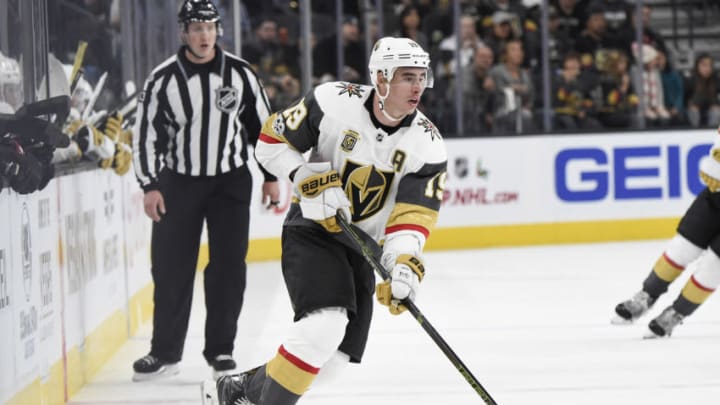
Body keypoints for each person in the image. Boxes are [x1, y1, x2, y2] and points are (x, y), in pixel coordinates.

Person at [212, 36, 447, 405]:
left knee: (332, 363)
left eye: (421, 76)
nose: (418, 86)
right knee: (324, 326)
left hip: (361, 248)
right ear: (381, 79)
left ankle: (238, 389)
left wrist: (402, 266)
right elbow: (270, 142)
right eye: (407, 76)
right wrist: (303, 176)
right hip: (314, 231)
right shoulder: (333, 101)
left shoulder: (427, 146)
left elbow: (411, 219)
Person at [131, 0, 279, 381]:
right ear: (183, 32)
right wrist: (150, 185)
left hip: (229, 182)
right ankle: (164, 353)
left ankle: (221, 351)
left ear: (218, 31)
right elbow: (146, 135)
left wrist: (271, 175)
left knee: (229, 269)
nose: (203, 35)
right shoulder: (163, 78)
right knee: (171, 268)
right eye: (196, 28)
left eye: (209, 27)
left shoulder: (241, 74)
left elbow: (263, 129)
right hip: (178, 183)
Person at [612, 130, 720, 337]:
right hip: (716, 197)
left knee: (713, 266)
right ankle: (646, 296)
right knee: (681, 248)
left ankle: (676, 313)